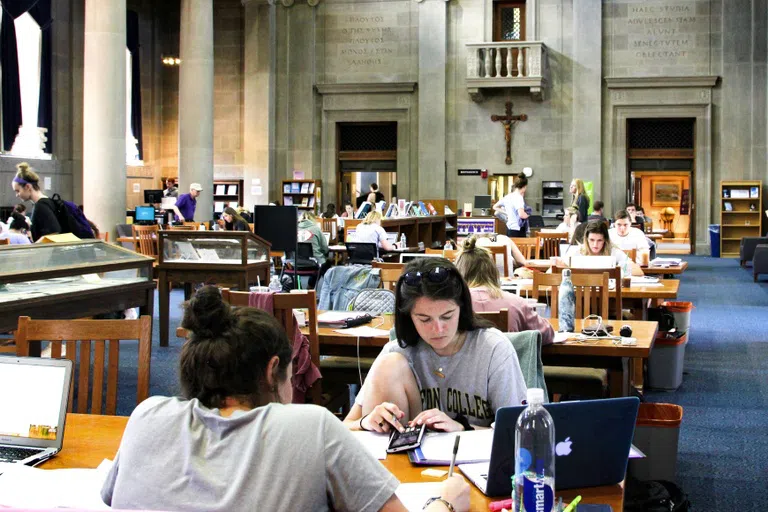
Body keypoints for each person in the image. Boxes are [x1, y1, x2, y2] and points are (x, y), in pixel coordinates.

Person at [101, 286, 470, 512]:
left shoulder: (148, 414)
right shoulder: (311, 426)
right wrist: (447, 501)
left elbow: (110, 495)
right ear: (272, 370)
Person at [343, 258, 527, 433]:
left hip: (473, 460)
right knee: (388, 364)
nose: (438, 329)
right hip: (409, 461)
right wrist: (365, 422)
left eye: (447, 316)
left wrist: (463, 428)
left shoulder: (493, 348)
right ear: (409, 317)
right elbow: (346, 426)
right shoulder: (397, 352)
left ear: (462, 308)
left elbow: (518, 430)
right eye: (424, 319)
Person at [455, 237, 554, 345]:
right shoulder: (517, 304)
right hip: (509, 361)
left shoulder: (451, 307)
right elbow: (547, 334)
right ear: (493, 271)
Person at [11, 162, 61, 242]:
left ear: (27, 187)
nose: (17, 195)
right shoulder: (47, 202)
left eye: (18, 191)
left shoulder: (40, 206)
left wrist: (34, 250)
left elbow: (53, 233)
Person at [492, 172, 529, 237]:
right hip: (518, 229)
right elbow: (521, 215)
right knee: (519, 247)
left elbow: (495, 207)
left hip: (510, 228)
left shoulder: (508, 196)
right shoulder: (519, 197)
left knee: (510, 247)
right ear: (524, 186)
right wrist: (527, 215)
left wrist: (506, 212)